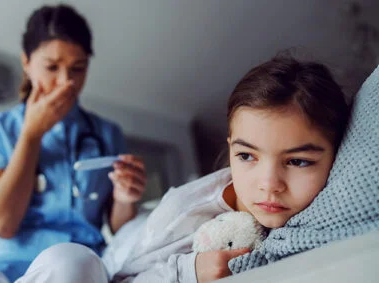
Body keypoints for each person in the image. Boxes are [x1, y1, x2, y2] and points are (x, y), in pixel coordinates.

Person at [0, 4, 146, 283]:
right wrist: (31, 135)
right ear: (26, 62)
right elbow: (2, 224)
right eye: (52, 67)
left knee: (70, 263)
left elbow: (119, 228)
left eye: (78, 68)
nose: (66, 82)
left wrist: (125, 198)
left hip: (74, 261)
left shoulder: (107, 133)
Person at [111, 54, 350, 282]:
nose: (268, 185)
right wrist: (186, 273)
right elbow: (119, 279)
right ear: (231, 148)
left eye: (297, 161)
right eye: (246, 156)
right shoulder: (183, 214)